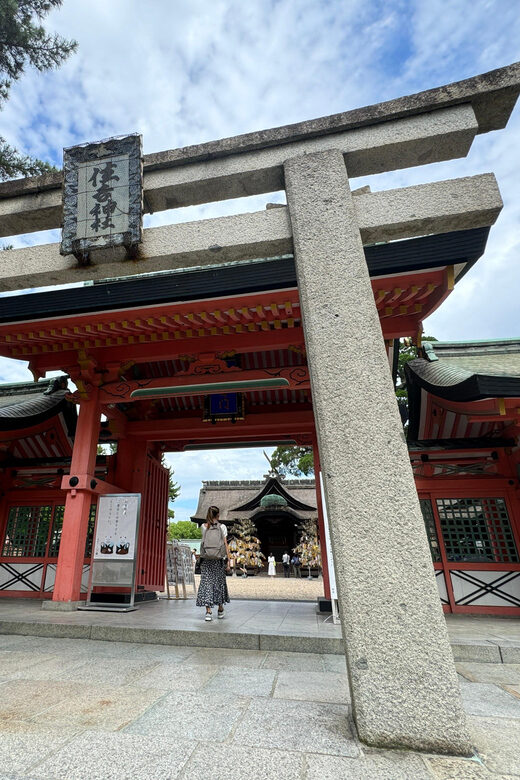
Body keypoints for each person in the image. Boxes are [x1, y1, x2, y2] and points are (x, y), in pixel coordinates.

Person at [196, 506, 230, 621]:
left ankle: (208, 612)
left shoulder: (204, 527)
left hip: (206, 560)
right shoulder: (222, 527)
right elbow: (225, 545)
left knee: (206, 584)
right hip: (218, 560)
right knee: (219, 583)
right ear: (218, 515)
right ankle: (220, 609)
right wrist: (229, 562)